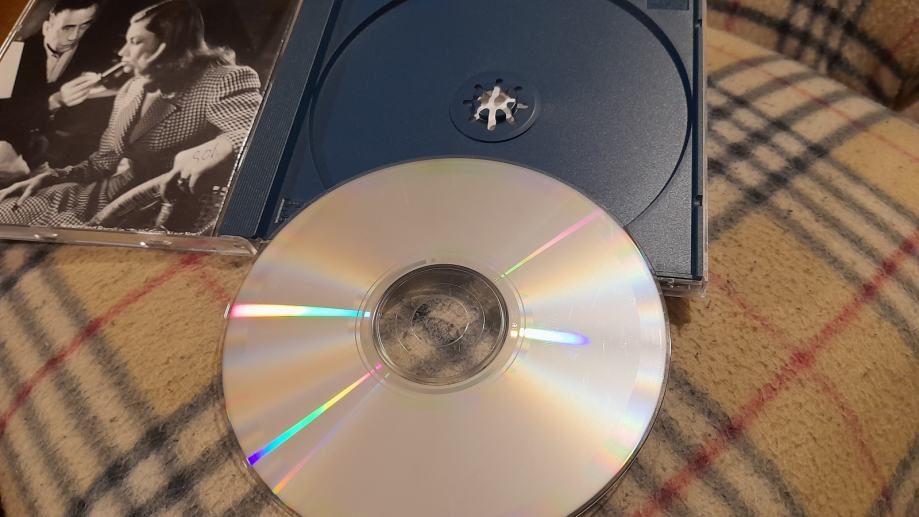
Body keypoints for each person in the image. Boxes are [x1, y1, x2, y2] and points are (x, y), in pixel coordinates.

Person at [0, 0, 263, 233]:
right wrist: (50, 178)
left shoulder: (223, 79)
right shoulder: (132, 88)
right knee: (9, 207)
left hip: (143, 213)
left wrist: (213, 149)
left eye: (135, 42)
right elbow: (101, 164)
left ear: (167, 44)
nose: (122, 53)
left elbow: (255, 130)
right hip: (100, 195)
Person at [0, 0, 107, 170]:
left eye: (84, 26)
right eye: (67, 27)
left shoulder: (95, 53)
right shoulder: (14, 48)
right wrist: (53, 102)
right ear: (47, 24)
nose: (74, 36)